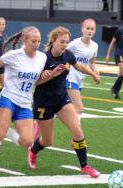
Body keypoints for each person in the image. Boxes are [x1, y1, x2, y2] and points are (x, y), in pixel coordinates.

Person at [28, 26, 101, 178]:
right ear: (53, 41)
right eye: (61, 41)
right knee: (47, 141)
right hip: (44, 103)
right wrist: (48, 75)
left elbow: (79, 66)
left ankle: (85, 166)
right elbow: (35, 83)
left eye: (66, 42)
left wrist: (93, 74)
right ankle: (33, 150)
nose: (64, 44)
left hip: (62, 100)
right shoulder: (43, 58)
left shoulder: (68, 55)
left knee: (78, 131)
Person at [0, 26, 64, 166]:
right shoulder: (14, 55)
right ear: (25, 40)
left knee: (27, 141)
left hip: (25, 103)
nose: (36, 45)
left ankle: (8, 133)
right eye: (33, 41)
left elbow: (37, 82)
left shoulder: (42, 58)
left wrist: (52, 74)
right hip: (8, 97)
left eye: (38, 41)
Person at [66, 18, 99, 123]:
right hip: (70, 77)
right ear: (82, 29)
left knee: (63, 107)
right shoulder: (74, 44)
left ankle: (36, 128)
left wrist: (95, 70)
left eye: (92, 29)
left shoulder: (95, 46)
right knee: (79, 108)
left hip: (80, 79)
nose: (90, 31)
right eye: (88, 28)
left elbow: (91, 62)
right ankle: (78, 137)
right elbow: (61, 52)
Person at [105, 16, 123, 99]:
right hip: (119, 54)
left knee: (121, 75)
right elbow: (112, 43)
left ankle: (116, 92)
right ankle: (114, 89)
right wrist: (108, 55)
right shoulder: (119, 31)